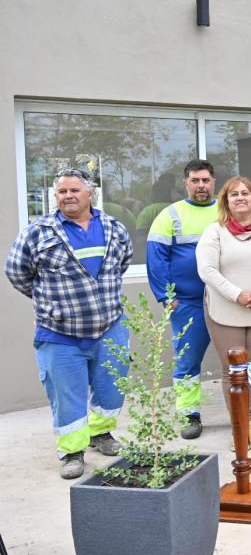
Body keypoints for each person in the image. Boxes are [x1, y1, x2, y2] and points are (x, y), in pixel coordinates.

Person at [6, 169, 134, 479]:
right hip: (59, 334)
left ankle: (101, 434)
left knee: (111, 389)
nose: (68, 196)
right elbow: (16, 272)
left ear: (91, 194)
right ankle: (72, 451)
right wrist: (52, 304)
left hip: (110, 328)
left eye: (75, 190)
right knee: (67, 395)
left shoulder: (114, 228)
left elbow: (124, 262)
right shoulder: (38, 231)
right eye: (62, 191)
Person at [196, 176, 251, 450]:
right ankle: (238, 427)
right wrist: (238, 294)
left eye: (245, 193)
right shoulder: (214, 232)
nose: (241, 198)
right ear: (226, 201)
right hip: (226, 312)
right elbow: (207, 270)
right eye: (234, 195)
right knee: (233, 372)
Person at [146, 159, 219, 439]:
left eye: (205, 180)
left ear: (213, 182)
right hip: (188, 303)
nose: (201, 186)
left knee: (236, 359)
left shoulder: (226, 211)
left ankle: (245, 413)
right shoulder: (170, 215)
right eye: (195, 180)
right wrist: (167, 298)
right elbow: (156, 259)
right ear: (186, 183)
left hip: (225, 300)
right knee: (188, 360)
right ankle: (189, 414)